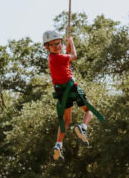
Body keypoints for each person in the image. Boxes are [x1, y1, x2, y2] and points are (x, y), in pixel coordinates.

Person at [43, 30, 104, 161]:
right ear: (47, 47)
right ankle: (83, 127)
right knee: (89, 110)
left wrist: (67, 50)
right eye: (53, 45)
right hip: (71, 88)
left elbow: (67, 59)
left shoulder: (53, 58)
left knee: (66, 120)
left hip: (60, 91)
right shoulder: (59, 57)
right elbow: (74, 56)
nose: (57, 46)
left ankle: (58, 145)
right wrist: (71, 42)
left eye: (58, 43)